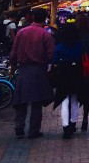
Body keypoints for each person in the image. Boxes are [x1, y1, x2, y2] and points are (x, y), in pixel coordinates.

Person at [9, 7, 55, 139]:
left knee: (21, 101)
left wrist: (12, 66)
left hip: (23, 69)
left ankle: (19, 127)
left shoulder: (21, 32)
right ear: (45, 19)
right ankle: (34, 130)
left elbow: (14, 52)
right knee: (36, 103)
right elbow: (51, 54)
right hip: (39, 70)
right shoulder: (45, 34)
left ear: (32, 17)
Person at [52, 19, 87, 138]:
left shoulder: (60, 46)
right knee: (75, 99)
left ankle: (65, 126)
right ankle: (73, 123)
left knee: (64, 100)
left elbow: (55, 63)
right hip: (77, 73)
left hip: (63, 73)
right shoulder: (80, 45)